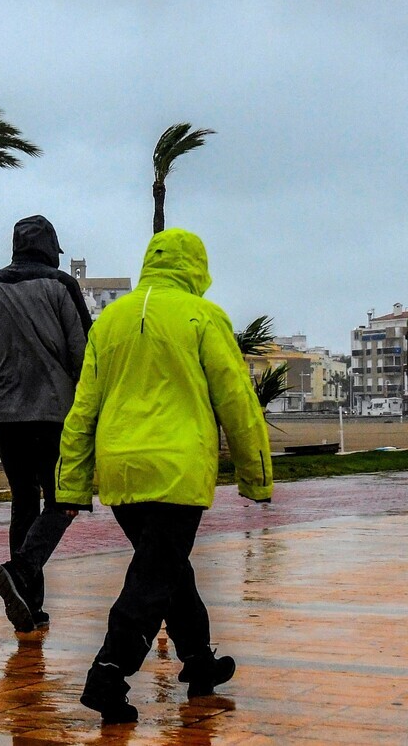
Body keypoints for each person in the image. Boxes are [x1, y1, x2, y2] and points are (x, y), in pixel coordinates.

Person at [55, 228, 273, 723]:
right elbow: (236, 400)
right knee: (155, 574)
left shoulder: (110, 320)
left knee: (169, 567)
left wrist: (71, 482)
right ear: (197, 267)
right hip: (177, 468)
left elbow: (82, 410)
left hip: (121, 470)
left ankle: (199, 663)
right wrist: (256, 475)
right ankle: (108, 672)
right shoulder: (203, 315)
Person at [0, 214, 92, 633]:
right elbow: (83, 354)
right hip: (54, 414)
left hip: (3, 416)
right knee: (63, 501)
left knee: (23, 500)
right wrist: (94, 411)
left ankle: (29, 608)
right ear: (50, 248)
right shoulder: (60, 286)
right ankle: (19, 574)